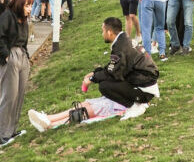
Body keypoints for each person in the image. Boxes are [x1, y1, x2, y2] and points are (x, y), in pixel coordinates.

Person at [28, 17, 160, 131]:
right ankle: (48, 118)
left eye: (103, 31)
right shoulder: (123, 41)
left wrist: (92, 78)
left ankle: (51, 124)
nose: (102, 34)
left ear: (109, 32)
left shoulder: (120, 47)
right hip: (140, 83)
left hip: (142, 90)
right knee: (88, 103)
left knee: (102, 89)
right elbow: (114, 68)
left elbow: (113, 72)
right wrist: (95, 74)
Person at [0, 0, 33, 149]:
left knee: (19, 95)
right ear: (19, 5)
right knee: (9, 96)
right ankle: (2, 135)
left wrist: (26, 57)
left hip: (22, 55)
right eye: (27, 5)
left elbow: (23, 41)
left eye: (30, 6)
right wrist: (6, 56)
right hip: (10, 56)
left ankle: (12, 130)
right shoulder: (6, 17)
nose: (29, 9)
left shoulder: (23, 20)